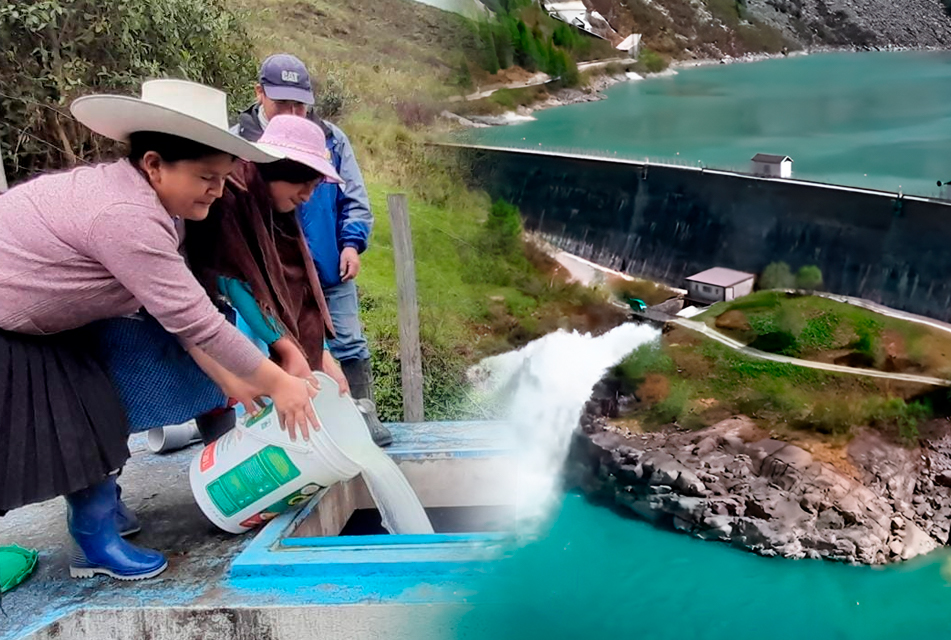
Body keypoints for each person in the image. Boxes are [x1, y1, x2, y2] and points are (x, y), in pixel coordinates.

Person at [0, 79, 321, 581]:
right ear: (153, 163)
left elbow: (178, 309)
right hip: (12, 326)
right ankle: (95, 544)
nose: (217, 190)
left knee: (98, 418)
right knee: (67, 430)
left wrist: (236, 378)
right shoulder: (125, 215)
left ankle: (100, 524)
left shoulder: (156, 206)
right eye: (205, 176)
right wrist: (279, 383)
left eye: (224, 177)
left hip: (55, 322)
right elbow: (194, 318)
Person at [233, 54, 393, 447]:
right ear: (260, 93)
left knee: (344, 344)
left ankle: (358, 416)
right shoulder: (237, 146)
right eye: (282, 103)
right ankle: (277, 437)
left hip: (324, 267)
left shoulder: (330, 138)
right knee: (268, 353)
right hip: (263, 278)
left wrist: (351, 243)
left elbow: (354, 197)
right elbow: (231, 282)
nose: (293, 112)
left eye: (299, 104)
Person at [186, 115, 351, 397]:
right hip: (212, 326)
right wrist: (286, 347)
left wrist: (322, 354)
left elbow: (300, 288)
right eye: (304, 184)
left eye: (314, 187)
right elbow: (233, 279)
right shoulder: (228, 199)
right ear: (281, 170)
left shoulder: (280, 213)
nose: (307, 196)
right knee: (228, 402)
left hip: (267, 331)